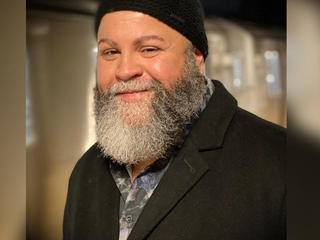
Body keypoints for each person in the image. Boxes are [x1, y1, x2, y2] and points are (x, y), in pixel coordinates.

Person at [63, 0, 286, 239]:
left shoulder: (282, 164)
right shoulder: (85, 172)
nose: (125, 70)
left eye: (149, 49)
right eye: (111, 52)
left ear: (196, 56)